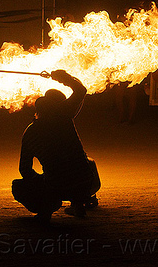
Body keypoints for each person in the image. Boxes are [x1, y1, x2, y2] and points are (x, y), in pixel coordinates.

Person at [12, 70, 101, 224]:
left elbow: (24, 170)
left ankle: (45, 210)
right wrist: (64, 77)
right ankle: (79, 203)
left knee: (18, 185)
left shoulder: (30, 133)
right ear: (60, 107)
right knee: (88, 163)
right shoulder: (64, 117)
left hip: (56, 187)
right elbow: (81, 90)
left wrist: (44, 180)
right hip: (85, 182)